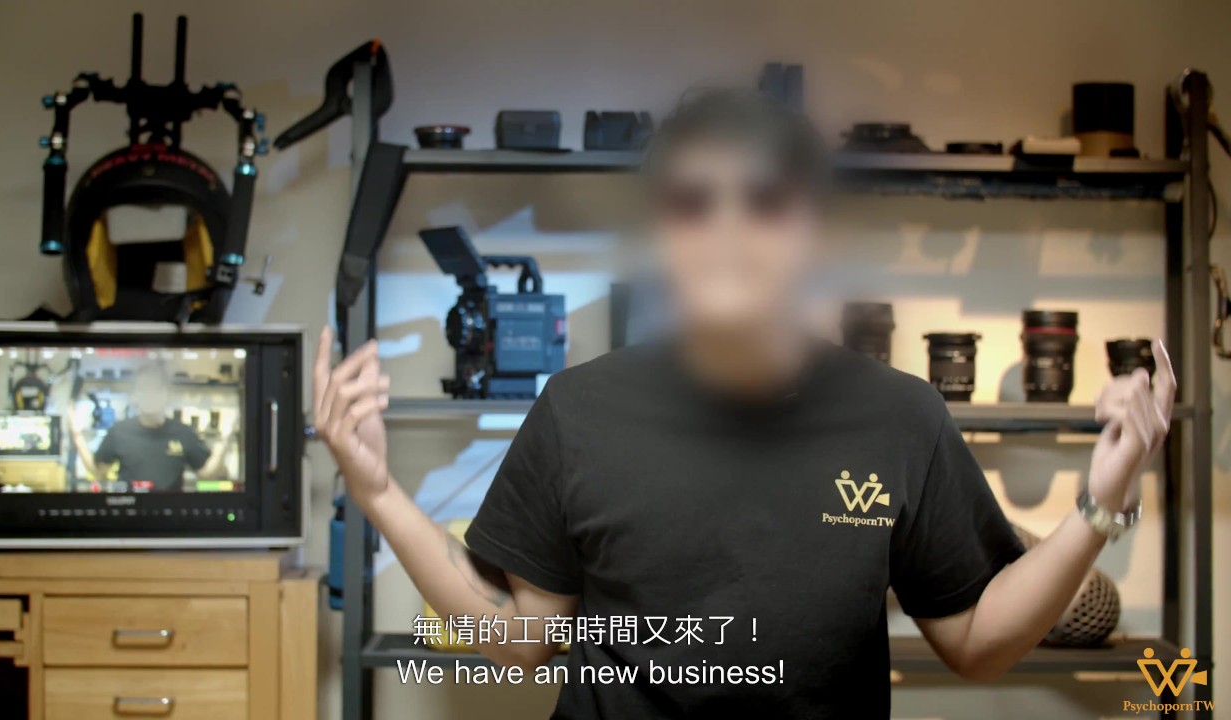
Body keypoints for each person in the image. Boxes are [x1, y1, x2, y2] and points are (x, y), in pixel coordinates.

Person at [313, 89, 1176, 718]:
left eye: (763, 201)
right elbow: (520, 643)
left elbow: (977, 644)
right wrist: (380, 492)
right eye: (695, 204)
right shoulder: (578, 410)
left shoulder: (902, 417)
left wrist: (1100, 506)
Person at [67, 362, 236, 492]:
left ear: (166, 394)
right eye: (144, 389)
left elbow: (207, 475)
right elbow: (99, 473)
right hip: (129, 516)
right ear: (136, 395)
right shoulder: (119, 431)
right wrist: (77, 435)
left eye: (156, 389)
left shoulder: (183, 432)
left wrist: (224, 442)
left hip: (170, 518)